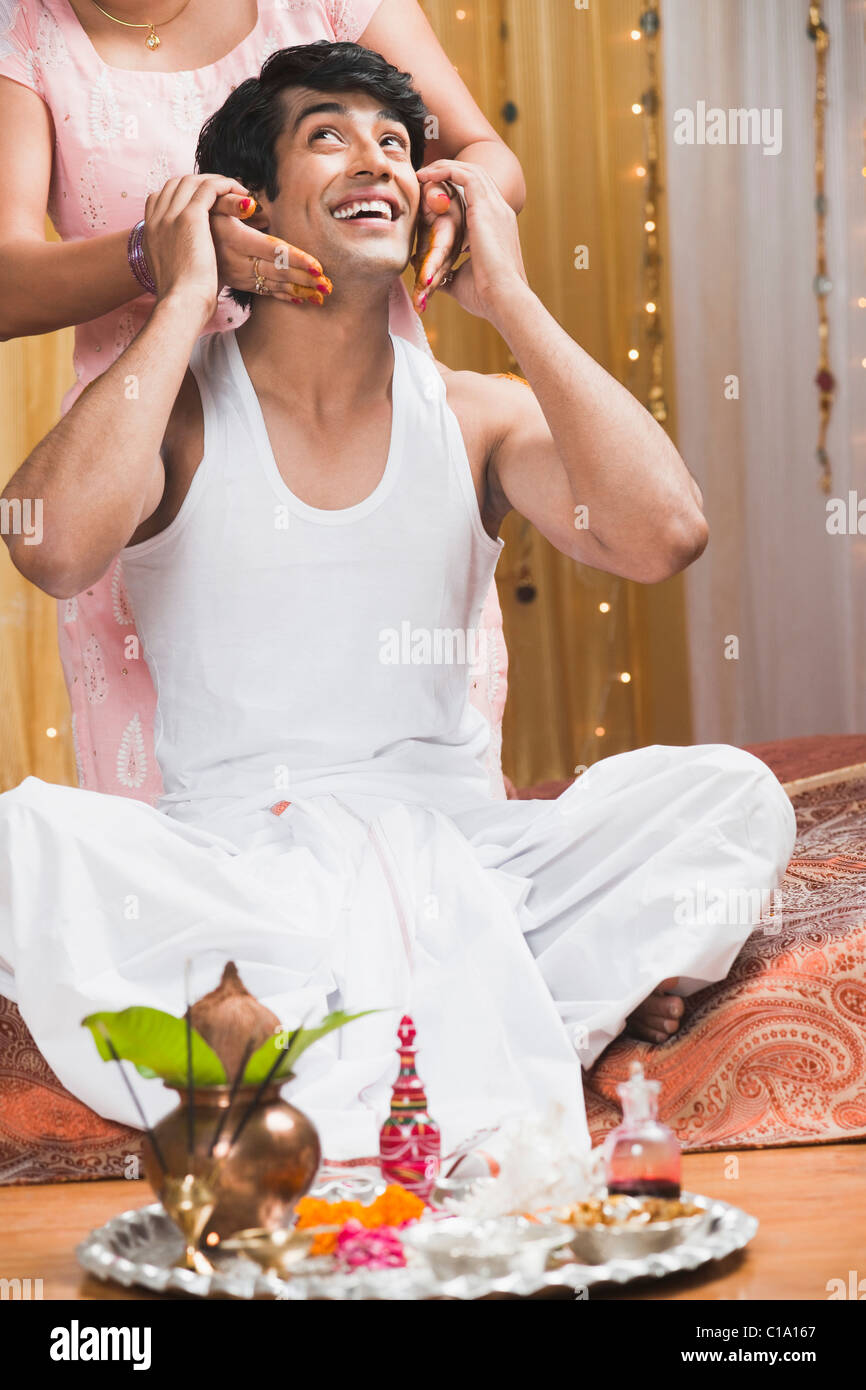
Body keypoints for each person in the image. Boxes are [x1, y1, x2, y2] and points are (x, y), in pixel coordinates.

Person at [0, 43, 796, 1160]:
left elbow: (664, 534)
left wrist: (509, 295)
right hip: (247, 873)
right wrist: (182, 289)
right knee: (21, 838)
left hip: (464, 853)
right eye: (327, 134)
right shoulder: (172, 414)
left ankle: (381, 1015)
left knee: (727, 795)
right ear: (251, 203)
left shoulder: (475, 412)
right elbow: (48, 546)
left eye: (394, 144)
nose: (375, 158)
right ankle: (542, 997)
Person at [0, 0, 519, 806]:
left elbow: (481, 152)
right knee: (180, 861)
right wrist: (163, 258)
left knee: (419, 802)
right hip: (150, 470)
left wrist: (451, 207)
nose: (375, 155)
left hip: (365, 444)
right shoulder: (24, 33)